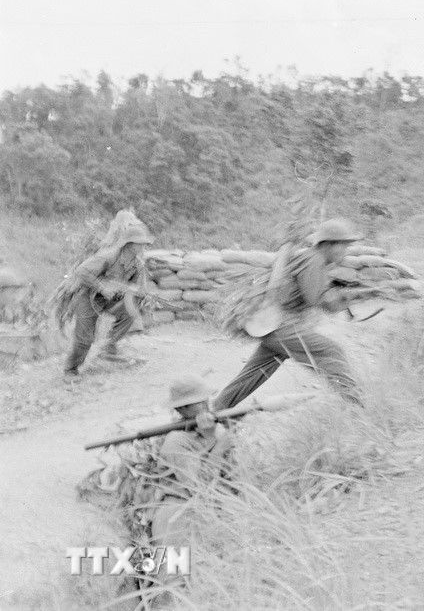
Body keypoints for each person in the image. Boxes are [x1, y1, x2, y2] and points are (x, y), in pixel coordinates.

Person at [212, 218, 366, 411]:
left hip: (271, 325)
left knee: (254, 373)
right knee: (330, 351)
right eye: (343, 245)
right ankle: (358, 405)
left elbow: (320, 300)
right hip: (280, 326)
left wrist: (343, 297)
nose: (345, 251)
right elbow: (315, 299)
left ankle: (215, 409)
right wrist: (346, 296)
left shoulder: (313, 260)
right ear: (327, 244)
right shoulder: (314, 260)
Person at [146, 376, 232, 602]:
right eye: (199, 402)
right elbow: (200, 487)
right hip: (176, 517)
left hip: (207, 514)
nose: (207, 405)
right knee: (174, 589)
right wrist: (217, 446)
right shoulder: (175, 441)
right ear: (182, 409)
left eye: (206, 400)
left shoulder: (214, 431)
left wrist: (214, 438)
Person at [63, 210, 153, 376]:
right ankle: (71, 369)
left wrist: (139, 294)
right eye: (140, 243)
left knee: (130, 311)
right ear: (130, 244)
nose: (143, 247)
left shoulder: (138, 265)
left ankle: (108, 347)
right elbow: (81, 272)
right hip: (88, 297)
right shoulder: (108, 256)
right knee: (84, 339)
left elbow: (139, 288)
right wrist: (101, 287)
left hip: (109, 300)